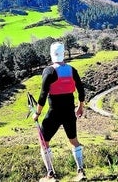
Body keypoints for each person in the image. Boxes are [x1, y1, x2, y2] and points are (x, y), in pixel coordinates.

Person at [32, 42, 86, 181]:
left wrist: (37, 113)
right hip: (69, 112)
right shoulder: (72, 70)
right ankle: (80, 172)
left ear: (51, 54)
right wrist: (80, 107)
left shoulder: (49, 71)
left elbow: (43, 95)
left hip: (54, 113)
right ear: (63, 53)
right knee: (74, 141)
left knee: (44, 142)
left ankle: (50, 174)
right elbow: (81, 89)